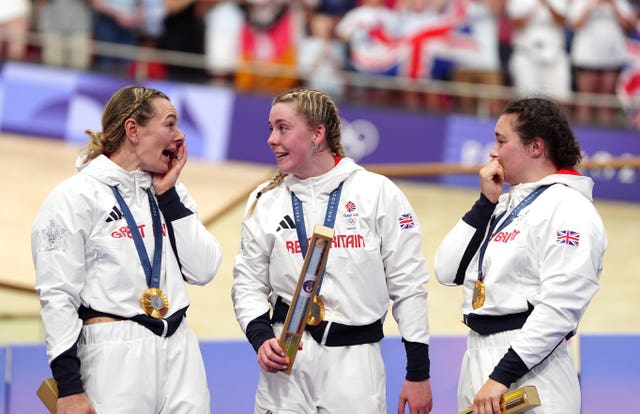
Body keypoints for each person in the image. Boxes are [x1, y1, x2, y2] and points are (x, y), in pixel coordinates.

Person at [231, 88, 433, 414]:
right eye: (270, 128)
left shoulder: (375, 192)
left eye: (283, 128)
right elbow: (247, 281)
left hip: (355, 366)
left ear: (317, 134)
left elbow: (408, 286)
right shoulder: (265, 200)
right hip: (286, 364)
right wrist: (260, 336)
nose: (271, 138)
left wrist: (418, 373)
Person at [32, 85, 223, 414]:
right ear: (133, 129)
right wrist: (69, 387)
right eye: (170, 124)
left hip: (180, 350)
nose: (180, 135)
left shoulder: (170, 192)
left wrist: (169, 198)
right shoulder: (74, 197)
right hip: (113, 354)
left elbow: (204, 269)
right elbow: (57, 295)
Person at [434, 97, 607, 414]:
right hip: (478, 353)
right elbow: (446, 270)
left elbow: (560, 307)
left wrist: (501, 376)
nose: (492, 152)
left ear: (535, 147)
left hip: (529, 370)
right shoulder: (503, 204)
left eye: (501, 140)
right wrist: (485, 203)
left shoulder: (570, 209)